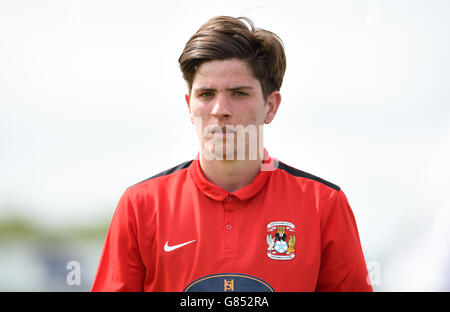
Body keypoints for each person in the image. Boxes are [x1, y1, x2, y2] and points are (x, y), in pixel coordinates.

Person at [91, 16, 373, 292]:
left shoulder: (323, 204)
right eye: (206, 94)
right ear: (190, 106)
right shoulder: (140, 206)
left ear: (271, 106)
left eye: (238, 93)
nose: (219, 109)